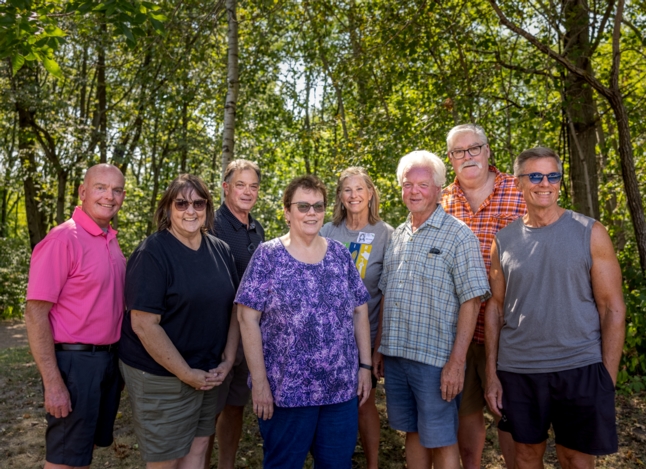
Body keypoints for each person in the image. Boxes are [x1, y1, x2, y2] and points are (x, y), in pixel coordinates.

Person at [485, 147, 626, 469]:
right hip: (520, 369)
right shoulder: (504, 240)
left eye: (552, 176)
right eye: (535, 176)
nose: (544, 183)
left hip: (580, 366)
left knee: (576, 459)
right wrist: (492, 374)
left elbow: (612, 308)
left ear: (560, 182)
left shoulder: (590, 232)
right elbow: (495, 308)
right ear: (519, 182)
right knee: (525, 457)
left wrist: (607, 376)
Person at [236, 175, 373, 469]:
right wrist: (259, 383)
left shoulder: (339, 255)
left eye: (318, 206)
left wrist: (365, 367)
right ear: (287, 212)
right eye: (303, 206)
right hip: (286, 392)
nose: (311, 213)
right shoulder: (268, 256)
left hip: (339, 392)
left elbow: (360, 309)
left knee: (337, 464)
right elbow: (246, 318)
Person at [373, 151, 490, 469]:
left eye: (422, 184)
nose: (414, 191)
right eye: (407, 184)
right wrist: (380, 348)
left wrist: (457, 361)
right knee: (412, 433)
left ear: (439, 189)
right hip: (397, 357)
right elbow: (387, 294)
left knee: (441, 440)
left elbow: (473, 299)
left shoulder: (458, 234)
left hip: (436, 361)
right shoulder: (397, 235)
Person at [119, 174, 240, 468]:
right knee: (167, 460)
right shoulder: (153, 253)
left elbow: (235, 309)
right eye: (182, 202)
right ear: (167, 208)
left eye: (198, 203)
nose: (191, 210)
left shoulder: (220, 250)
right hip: (161, 377)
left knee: (198, 449)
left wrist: (228, 359)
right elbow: (144, 325)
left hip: (208, 372)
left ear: (208, 208)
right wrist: (185, 373)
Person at [25, 163, 127, 469]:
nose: (110, 196)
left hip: (107, 362)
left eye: (117, 190)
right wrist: (53, 382)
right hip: (74, 365)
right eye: (101, 188)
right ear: (83, 192)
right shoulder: (63, 240)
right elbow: (35, 314)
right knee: (64, 459)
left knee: (83, 452)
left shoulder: (109, 239)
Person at [440, 124, 525, 468]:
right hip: (458, 331)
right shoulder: (442, 200)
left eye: (474, 148)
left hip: (509, 328)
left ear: (488, 151)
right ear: (450, 159)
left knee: (512, 419)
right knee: (466, 414)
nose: (468, 156)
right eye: (459, 152)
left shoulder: (519, 190)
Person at [320, 166, 393, 469]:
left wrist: (378, 348)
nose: (354, 195)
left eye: (359, 189)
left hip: (367, 336)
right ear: (340, 196)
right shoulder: (327, 231)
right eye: (347, 190)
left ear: (371, 193)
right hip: (329, 339)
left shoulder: (386, 234)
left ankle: (372, 464)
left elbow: (388, 294)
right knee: (330, 405)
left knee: (364, 404)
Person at [206, 159, 265, 469]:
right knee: (209, 411)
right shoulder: (210, 225)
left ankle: (225, 465)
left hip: (248, 335)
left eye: (253, 186)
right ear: (226, 188)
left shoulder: (257, 228)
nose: (247, 192)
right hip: (216, 336)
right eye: (240, 185)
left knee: (235, 406)